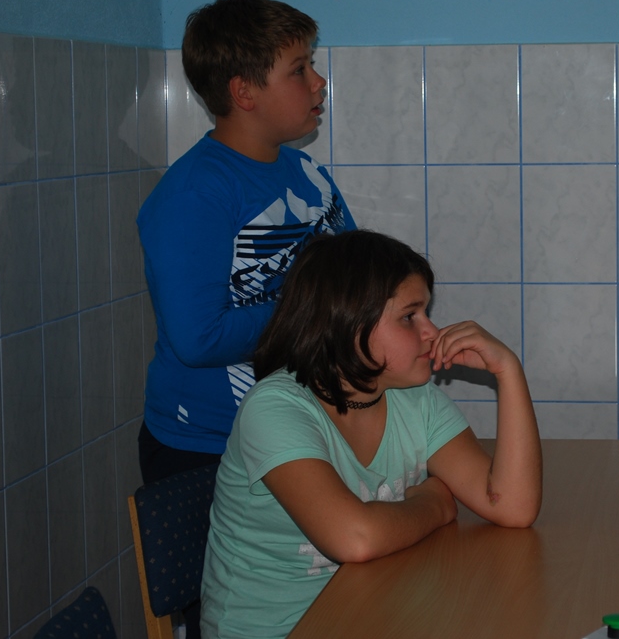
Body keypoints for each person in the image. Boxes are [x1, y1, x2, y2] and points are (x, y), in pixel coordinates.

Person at [200, 230, 543, 639]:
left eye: (426, 313)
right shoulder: (275, 408)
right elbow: (354, 538)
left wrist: (508, 371)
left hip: (373, 613)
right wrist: (433, 505)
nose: (432, 331)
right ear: (346, 323)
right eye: (409, 317)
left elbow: (513, 508)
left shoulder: (413, 397)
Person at [136, 0, 356, 486]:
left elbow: (357, 281)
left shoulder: (308, 174)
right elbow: (200, 339)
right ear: (244, 92)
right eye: (299, 70)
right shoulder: (195, 194)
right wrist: (316, 311)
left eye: (311, 65)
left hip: (300, 431)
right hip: (208, 447)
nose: (318, 82)